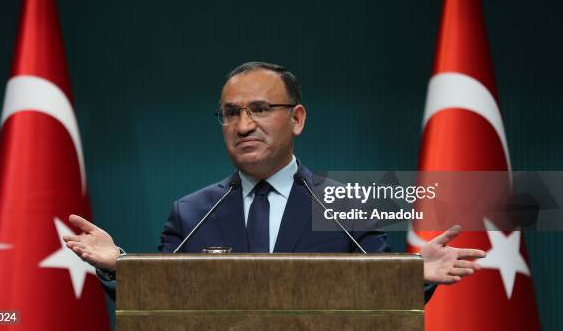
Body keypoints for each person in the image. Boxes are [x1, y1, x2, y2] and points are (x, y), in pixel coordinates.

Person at [63, 61, 484, 300]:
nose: (243, 125)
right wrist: (119, 264)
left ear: (296, 119)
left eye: (261, 109)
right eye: (231, 113)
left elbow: (377, 295)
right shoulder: (192, 211)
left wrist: (416, 275)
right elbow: (162, 299)